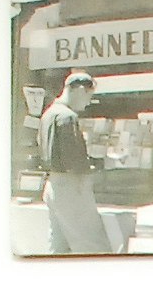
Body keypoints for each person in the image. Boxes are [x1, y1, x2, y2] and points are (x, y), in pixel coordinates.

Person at [36, 71, 113, 254]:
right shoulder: (67, 116)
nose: (87, 103)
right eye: (88, 96)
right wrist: (94, 168)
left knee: (58, 246)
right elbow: (74, 160)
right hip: (72, 187)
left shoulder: (48, 114)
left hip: (53, 185)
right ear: (79, 90)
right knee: (93, 246)